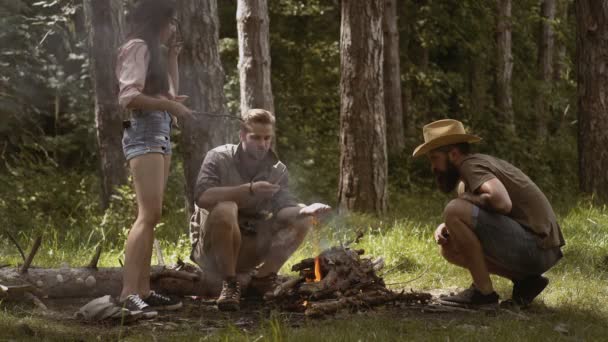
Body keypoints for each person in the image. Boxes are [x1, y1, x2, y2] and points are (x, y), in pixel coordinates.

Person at [412, 119, 565, 308]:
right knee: (449, 247)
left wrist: (458, 209)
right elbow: (486, 212)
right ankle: (526, 282)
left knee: (453, 209)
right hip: (540, 250)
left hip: (537, 247)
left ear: (453, 154)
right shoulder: (468, 177)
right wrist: (448, 225)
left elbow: (501, 202)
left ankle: (483, 293)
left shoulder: (471, 165)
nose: (433, 167)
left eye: (434, 158)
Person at [189, 108, 330, 311]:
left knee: (301, 215)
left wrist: (307, 211)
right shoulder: (218, 158)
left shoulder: (277, 170)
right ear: (242, 135)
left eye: (267, 139)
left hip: (251, 243)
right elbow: (202, 197)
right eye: (256, 138)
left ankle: (263, 279)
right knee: (226, 208)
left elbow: (283, 209)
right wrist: (248, 190)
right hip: (213, 248)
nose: (262, 145)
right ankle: (229, 284)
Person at [115, 0, 194, 317]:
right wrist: (171, 108)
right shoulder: (136, 47)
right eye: (172, 21)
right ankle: (128, 292)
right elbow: (128, 97)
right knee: (147, 215)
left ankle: (143, 289)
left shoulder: (156, 53)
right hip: (144, 130)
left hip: (159, 131)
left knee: (154, 214)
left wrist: (173, 58)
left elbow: (169, 96)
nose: (174, 27)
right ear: (158, 21)